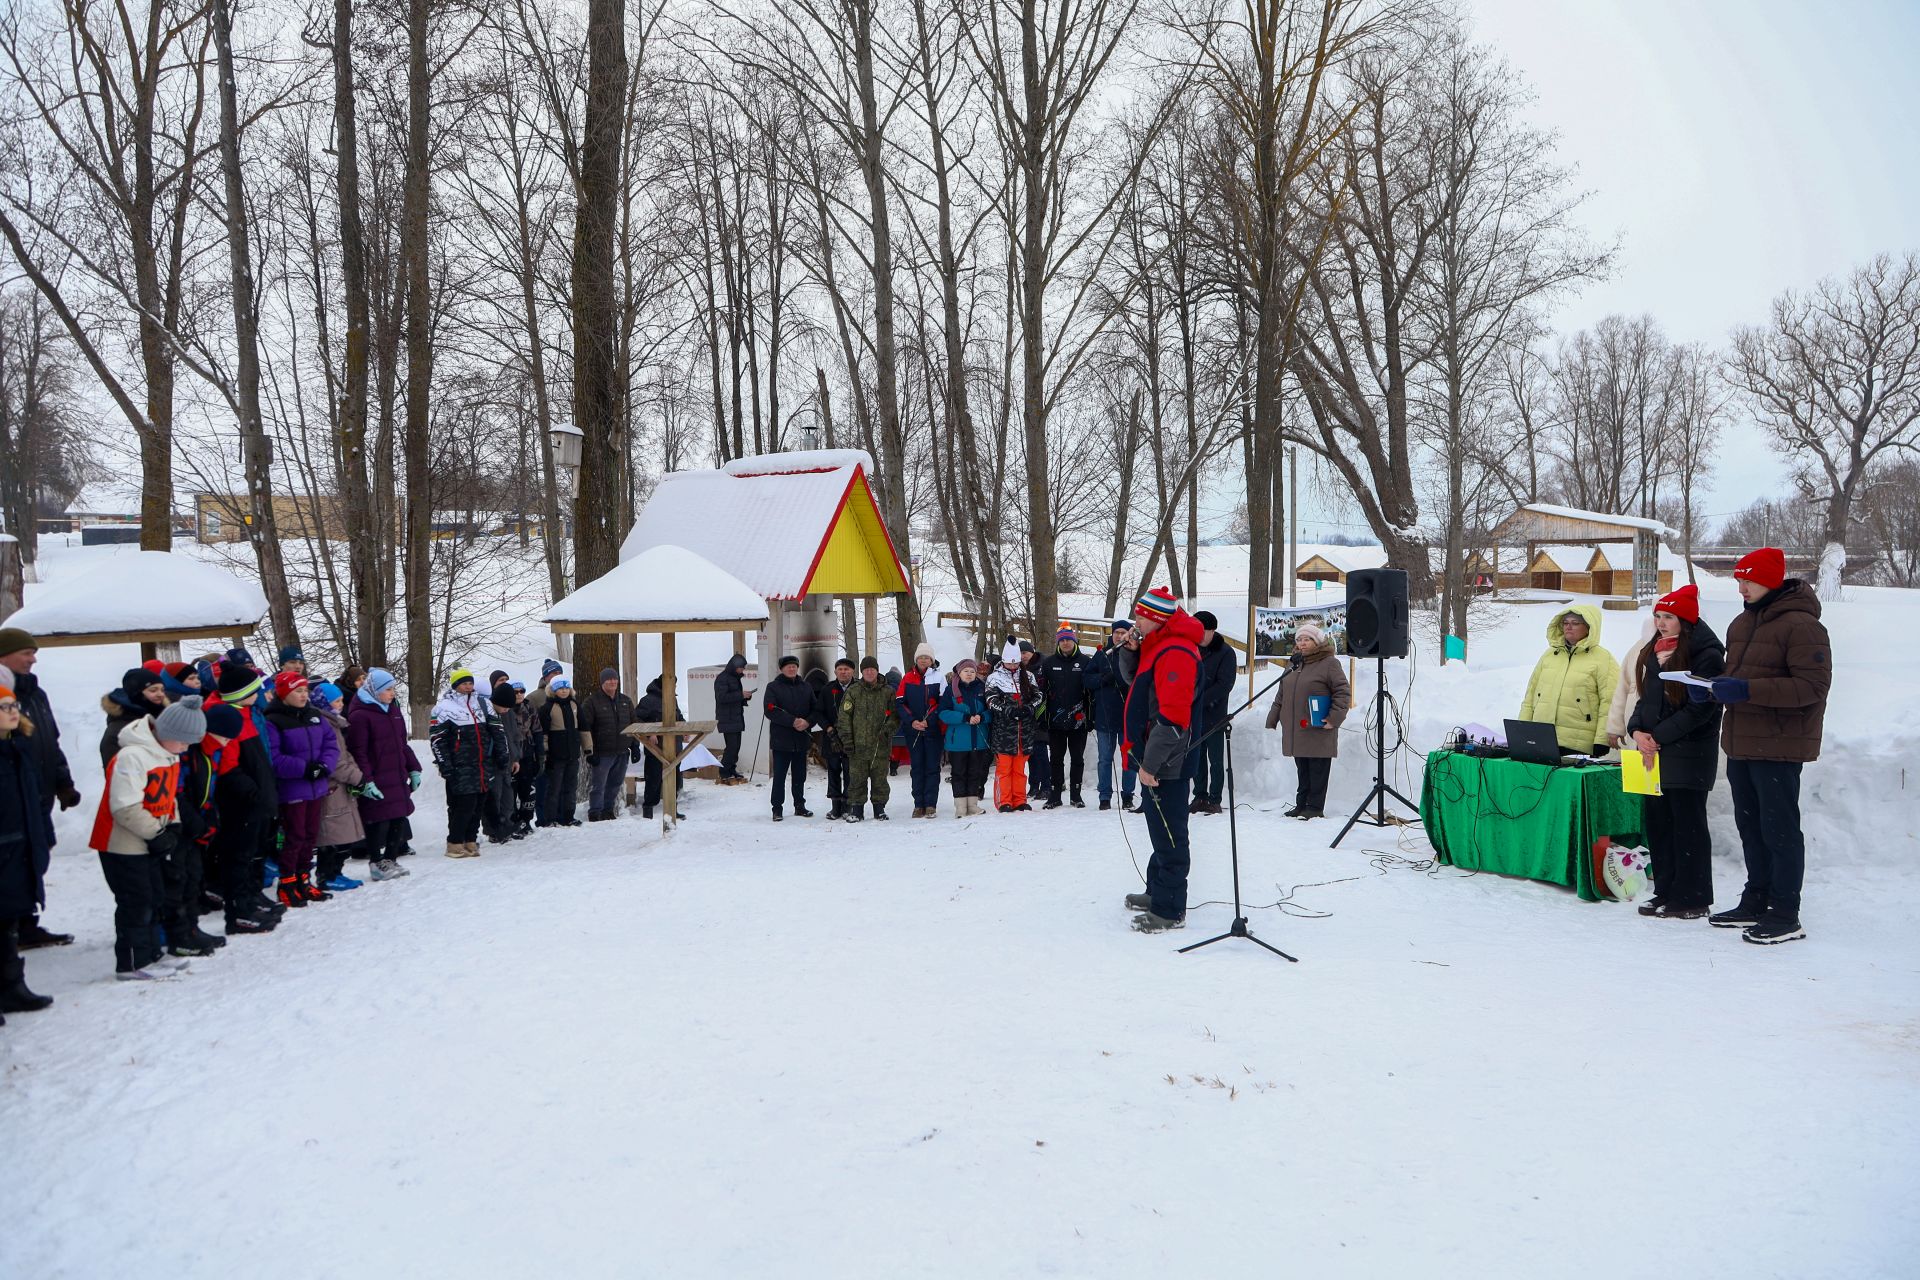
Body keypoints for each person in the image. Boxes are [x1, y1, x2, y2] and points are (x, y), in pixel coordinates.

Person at [1692, 548, 1832, 945]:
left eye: (1748, 580)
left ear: (1771, 580)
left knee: (1779, 830)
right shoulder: (1742, 623)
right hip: (1741, 742)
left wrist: (1746, 690)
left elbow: (1812, 687)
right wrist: (1714, 691)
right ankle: (1756, 899)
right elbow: (1737, 679)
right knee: (1751, 828)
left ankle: (1786, 912)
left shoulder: (1803, 626)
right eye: (1739, 580)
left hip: (1779, 745)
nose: (1742, 587)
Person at [1623, 584, 1725, 920]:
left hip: (1688, 754)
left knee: (1688, 826)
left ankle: (1693, 896)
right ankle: (1665, 890)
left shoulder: (1706, 654)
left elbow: (1701, 710)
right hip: (1651, 753)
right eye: (1658, 616)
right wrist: (1636, 730)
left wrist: (1657, 737)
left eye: (1669, 617)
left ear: (1686, 619)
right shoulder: (1655, 649)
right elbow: (1644, 699)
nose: (1661, 622)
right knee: (1659, 825)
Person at [91, 694, 204, 980]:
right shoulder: (133, 756)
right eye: (183, 741)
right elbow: (124, 805)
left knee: (155, 897)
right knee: (136, 901)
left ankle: (151, 954)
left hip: (150, 838)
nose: (186, 748)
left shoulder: (168, 754)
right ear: (166, 733)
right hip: (122, 842)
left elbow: (168, 796)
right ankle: (131, 962)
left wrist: (174, 825)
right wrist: (156, 833)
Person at [1119, 587, 1205, 933]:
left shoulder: (1176, 652)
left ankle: (1169, 910)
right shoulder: (1157, 645)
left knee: (1170, 834)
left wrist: (1150, 765)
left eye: (1140, 616)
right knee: (1159, 828)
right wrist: (1131, 651)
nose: (1135, 621)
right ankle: (1156, 891)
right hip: (1156, 757)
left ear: (1155, 619)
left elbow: (1173, 719)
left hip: (1168, 761)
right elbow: (1133, 681)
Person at [203, 681, 285, 934]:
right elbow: (228, 765)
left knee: (250, 853)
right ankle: (239, 911)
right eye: (254, 690)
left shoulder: (249, 714)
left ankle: (249, 901)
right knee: (237, 857)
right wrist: (254, 792)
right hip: (240, 801)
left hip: (256, 796)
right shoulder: (226, 717)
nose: (260, 694)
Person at [0, 674, 56, 1017]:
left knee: (8, 921)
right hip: (4, 847)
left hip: (20, 847)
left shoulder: (18, 748)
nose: (12, 711)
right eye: (4, 706)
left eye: (13, 705)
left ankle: (11, 987)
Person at [264, 672, 339, 905]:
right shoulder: (273, 720)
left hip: (316, 786)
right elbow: (274, 757)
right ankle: (287, 882)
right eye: (298, 691)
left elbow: (331, 743)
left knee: (310, 836)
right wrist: (305, 768)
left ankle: (304, 880)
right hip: (293, 788)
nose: (303, 695)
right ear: (284, 693)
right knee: (294, 837)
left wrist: (324, 766)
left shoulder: (314, 716)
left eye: (305, 691)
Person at [1263, 622, 1351, 819]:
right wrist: (1273, 717)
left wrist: (1334, 718)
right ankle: (1301, 805)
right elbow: (1281, 693)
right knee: (1302, 768)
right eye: (1299, 640)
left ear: (1317, 641)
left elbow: (1343, 692)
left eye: (1307, 639)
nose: (1302, 643)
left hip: (1319, 726)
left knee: (1317, 768)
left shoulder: (1329, 663)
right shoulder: (1294, 664)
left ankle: (1314, 807)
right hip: (1297, 727)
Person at [345, 669, 420, 878]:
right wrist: (366, 781)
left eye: (393, 688)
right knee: (377, 820)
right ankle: (376, 862)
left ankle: (391, 859)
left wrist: (414, 768)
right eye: (388, 689)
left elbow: (402, 744)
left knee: (398, 817)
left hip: (396, 775)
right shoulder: (360, 715)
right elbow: (358, 751)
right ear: (375, 690)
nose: (392, 693)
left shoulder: (393, 711)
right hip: (377, 777)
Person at [1519, 605, 1620, 754]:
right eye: (1566, 623)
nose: (1569, 627)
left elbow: (1610, 703)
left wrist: (1601, 740)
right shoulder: (1549, 655)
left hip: (1577, 745)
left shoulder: (1604, 659)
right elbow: (1531, 696)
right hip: (1541, 739)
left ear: (1589, 627)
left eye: (1575, 623)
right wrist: (1522, 731)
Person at [431, 668, 506, 858]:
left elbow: (497, 730)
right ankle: (455, 842)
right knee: (464, 804)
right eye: (464, 683)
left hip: (482, 763)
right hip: (460, 764)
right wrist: (444, 764)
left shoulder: (482, 704)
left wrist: (501, 753)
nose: (468, 687)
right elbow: (437, 739)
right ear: (455, 685)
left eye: (470, 683)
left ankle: (470, 840)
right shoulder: (444, 707)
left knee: (479, 803)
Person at [310, 682, 369, 891]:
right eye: (336, 701)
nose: (341, 705)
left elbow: (345, 754)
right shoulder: (324, 725)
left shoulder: (336, 723)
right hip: (332, 786)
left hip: (342, 785)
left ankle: (336, 872)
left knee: (342, 833)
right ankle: (327, 875)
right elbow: (334, 760)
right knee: (333, 835)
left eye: (342, 701)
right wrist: (356, 777)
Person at [1038, 625, 1093, 809]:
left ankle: (1076, 795)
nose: (1065, 642)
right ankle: (1055, 795)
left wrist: (1090, 717)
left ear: (1074, 640)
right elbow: (1041, 692)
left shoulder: (1085, 661)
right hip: (1055, 721)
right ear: (1058, 642)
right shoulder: (1048, 663)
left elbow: (1091, 693)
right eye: (1062, 640)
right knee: (1056, 759)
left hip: (1079, 721)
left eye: (1068, 639)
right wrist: (1042, 717)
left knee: (1077, 759)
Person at [1085, 620, 1137, 812]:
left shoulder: (1132, 652)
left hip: (1128, 716)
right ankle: (1104, 796)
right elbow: (1087, 679)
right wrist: (1102, 679)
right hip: (1105, 716)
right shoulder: (1101, 655)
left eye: (1123, 632)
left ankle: (1128, 795)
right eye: (1116, 632)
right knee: (1105, 759)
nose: (1119, 635)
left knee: (1129, 758)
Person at [985, 639, 1041, 813]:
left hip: (1024, 732)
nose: (1012, 665)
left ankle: (1020, 799)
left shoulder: (1028, 676)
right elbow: (990, 700)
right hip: (1004, 732)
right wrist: (1007, 710)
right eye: (1009, 662)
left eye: (1015, 662)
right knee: (1004, 769)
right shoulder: (994, 677)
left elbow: (1038, 696)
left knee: (1019, 770)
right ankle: (1004, 801)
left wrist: (1030, 708)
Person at [838, 656, 895, 821]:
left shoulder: (888, 691)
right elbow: (844, 718)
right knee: (857, 779)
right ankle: (857, 811)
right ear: (862, 672)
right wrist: (847, 741)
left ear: (877, 670)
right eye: (866, 669)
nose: (869, 672)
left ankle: (879, 809)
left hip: (880, 746)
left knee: (880, 780)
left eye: (872, 669)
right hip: (858, 746)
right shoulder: (853, 691)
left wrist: (888, 729)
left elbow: (895, 716)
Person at [1191, 611, 1237, 816]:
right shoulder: (1190, 649)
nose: (1199, 634)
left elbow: (1224, 684)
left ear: (1212, 630)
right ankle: (1199, 795)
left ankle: (1214, 798)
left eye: (1203, 630)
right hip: (1192, 715)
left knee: (1215, 760)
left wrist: (1199, 699)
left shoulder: (1225, 652)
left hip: (1214, 714)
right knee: (1196, 758)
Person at [762, 654, 816, 820]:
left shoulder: (806, 687)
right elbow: (770, 709)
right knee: (779, 777)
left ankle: (800, 805)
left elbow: (816, 709)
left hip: (801, 740)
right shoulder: (773, 687)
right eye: (788, 666)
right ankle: (777, 809)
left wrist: (807, 722)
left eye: (794, 666)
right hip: (781, 741)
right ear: (781, 669)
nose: (792, 669)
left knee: (800, 776)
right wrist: (792, 721)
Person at [896, 642, 946, 818]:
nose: (924, 660)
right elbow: (900, 703)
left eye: (927, 657)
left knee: (932, 767)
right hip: (914, 731)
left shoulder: (939, 678)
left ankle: (931, 804)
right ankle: (919, 804)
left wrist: (929, 721)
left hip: (932, 730)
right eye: (921, 657)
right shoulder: (908, 678)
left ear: (932, 660)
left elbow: (943, 703)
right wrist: (912, 721)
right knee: (917, 767)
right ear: (916, 659)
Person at [938, 658, 991, 817]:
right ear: (959, 673)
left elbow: (991, 711)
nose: (969, 674)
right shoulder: (950, 690)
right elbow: (943, 713)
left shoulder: (982, 688)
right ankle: (960, 806)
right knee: (959, 773)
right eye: (966, 671)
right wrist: (964, 718)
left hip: (978, 739)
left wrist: (982, 717)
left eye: (972, 671)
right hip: (958, 741)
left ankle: (972, 805)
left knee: (975, 772)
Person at [582, 668, 635, 822]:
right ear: (602, 682)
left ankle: (608, 810)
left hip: (622, 751)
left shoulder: (625, 701)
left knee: (615, 784)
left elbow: (634, 724)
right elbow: (586, 728)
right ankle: (595, 812)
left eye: (614, 679)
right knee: (598, 785)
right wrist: (590, 751)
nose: (612, 682)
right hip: (602, 752)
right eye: (608, 679)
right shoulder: (592, 702)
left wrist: (635, 746)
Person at [636, 675, 685, 819]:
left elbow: (679, 717)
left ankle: (672, 809)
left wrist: (685, 728)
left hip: (674, 748)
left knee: (675, 780)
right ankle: (648, 810)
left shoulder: (673, 699)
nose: (674, 688)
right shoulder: (648, 700)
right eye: (672, 685)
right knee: (653, 780)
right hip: (656, 749)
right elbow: (637, 719)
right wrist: (650, 733)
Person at [100, 666, 170, 768]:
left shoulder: (164, 718)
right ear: (136, 693)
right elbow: (118, 774)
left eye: (162, 690)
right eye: (153, 690)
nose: (160, 694)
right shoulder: (118, 730)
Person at [539, 677, 584, 827]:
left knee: (571, 787)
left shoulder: (574, 704)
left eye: (566, 688)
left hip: (573, 754)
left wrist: (588, 748)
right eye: (560, 688)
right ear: (553, 690)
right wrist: (545, 753)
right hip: (555, 756)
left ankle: (568, 816)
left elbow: (584, 728)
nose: (564, 691)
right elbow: (543, 733)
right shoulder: (547, 708)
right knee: (554, 788)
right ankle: (550, 818)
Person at [485, 682, 522, 842]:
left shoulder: (509, 713)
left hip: (507, 760)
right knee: (495, 796)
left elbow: (514, 736)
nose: (506, 710)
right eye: (504, 707)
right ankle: (493, 830)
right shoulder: (488, 714)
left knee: (509, 796)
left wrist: (515, 758)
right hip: (493, 762)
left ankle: (507, 824)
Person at [818, 660, 855, 818]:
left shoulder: (858, 688)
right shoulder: (827, 689)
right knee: (833, 772)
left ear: (852, 671)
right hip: (831, 737)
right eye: (840, 669)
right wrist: (828, 728)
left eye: (846, 669)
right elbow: (819, 712)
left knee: (849, 772)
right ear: (835, 672)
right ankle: (835, 806)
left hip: (852, 737)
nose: (843, 672)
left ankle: (848, 806)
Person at [507, 681, 540, 836]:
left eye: (522, 691)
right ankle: (513, 822)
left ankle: (526, 821)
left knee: (528, 791)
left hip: (527, 753)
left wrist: (540, 754)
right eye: (516, 691)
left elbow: (537, 730)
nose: (519, 694)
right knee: (511, 792)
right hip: (511, 755)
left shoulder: (529, 707)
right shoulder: (505, 709)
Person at [713, 654, 752, 784]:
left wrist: (744, 697)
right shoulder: (722, 679)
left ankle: (731, 770)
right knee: (731, 747)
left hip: (735, 717)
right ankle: (724, 772)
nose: (742, 671)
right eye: (741, 668)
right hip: (727, 718)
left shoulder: (734, 678)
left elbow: (733, 697)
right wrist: (740, 694)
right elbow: (722, 698)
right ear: (734, 667)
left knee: (736, 747)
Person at [1018, 642, 1049, 798]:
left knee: (1041, 752)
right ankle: (1034, 785)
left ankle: (1046, 786)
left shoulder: (1044, 665)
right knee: (1030, 753)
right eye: (1020, 653)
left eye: (1026, 652)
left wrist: (1044, 713)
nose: (1023, 656)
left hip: (1042, 713)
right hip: (1026, 715)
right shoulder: (1018, 669)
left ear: (1032, 652)